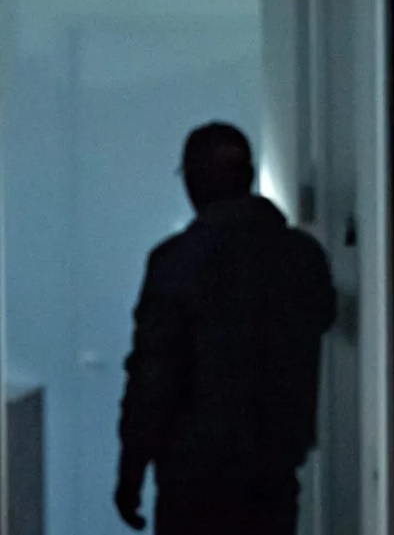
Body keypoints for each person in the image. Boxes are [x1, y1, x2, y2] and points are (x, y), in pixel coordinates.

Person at [115, 122, 336, 534]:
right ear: (248, 176)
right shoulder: (303, 257)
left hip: (192, 482)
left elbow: (153, 380)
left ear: (193, 181)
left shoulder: (175, 262)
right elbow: (320, 321)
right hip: (273, 477)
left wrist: (131, 469)